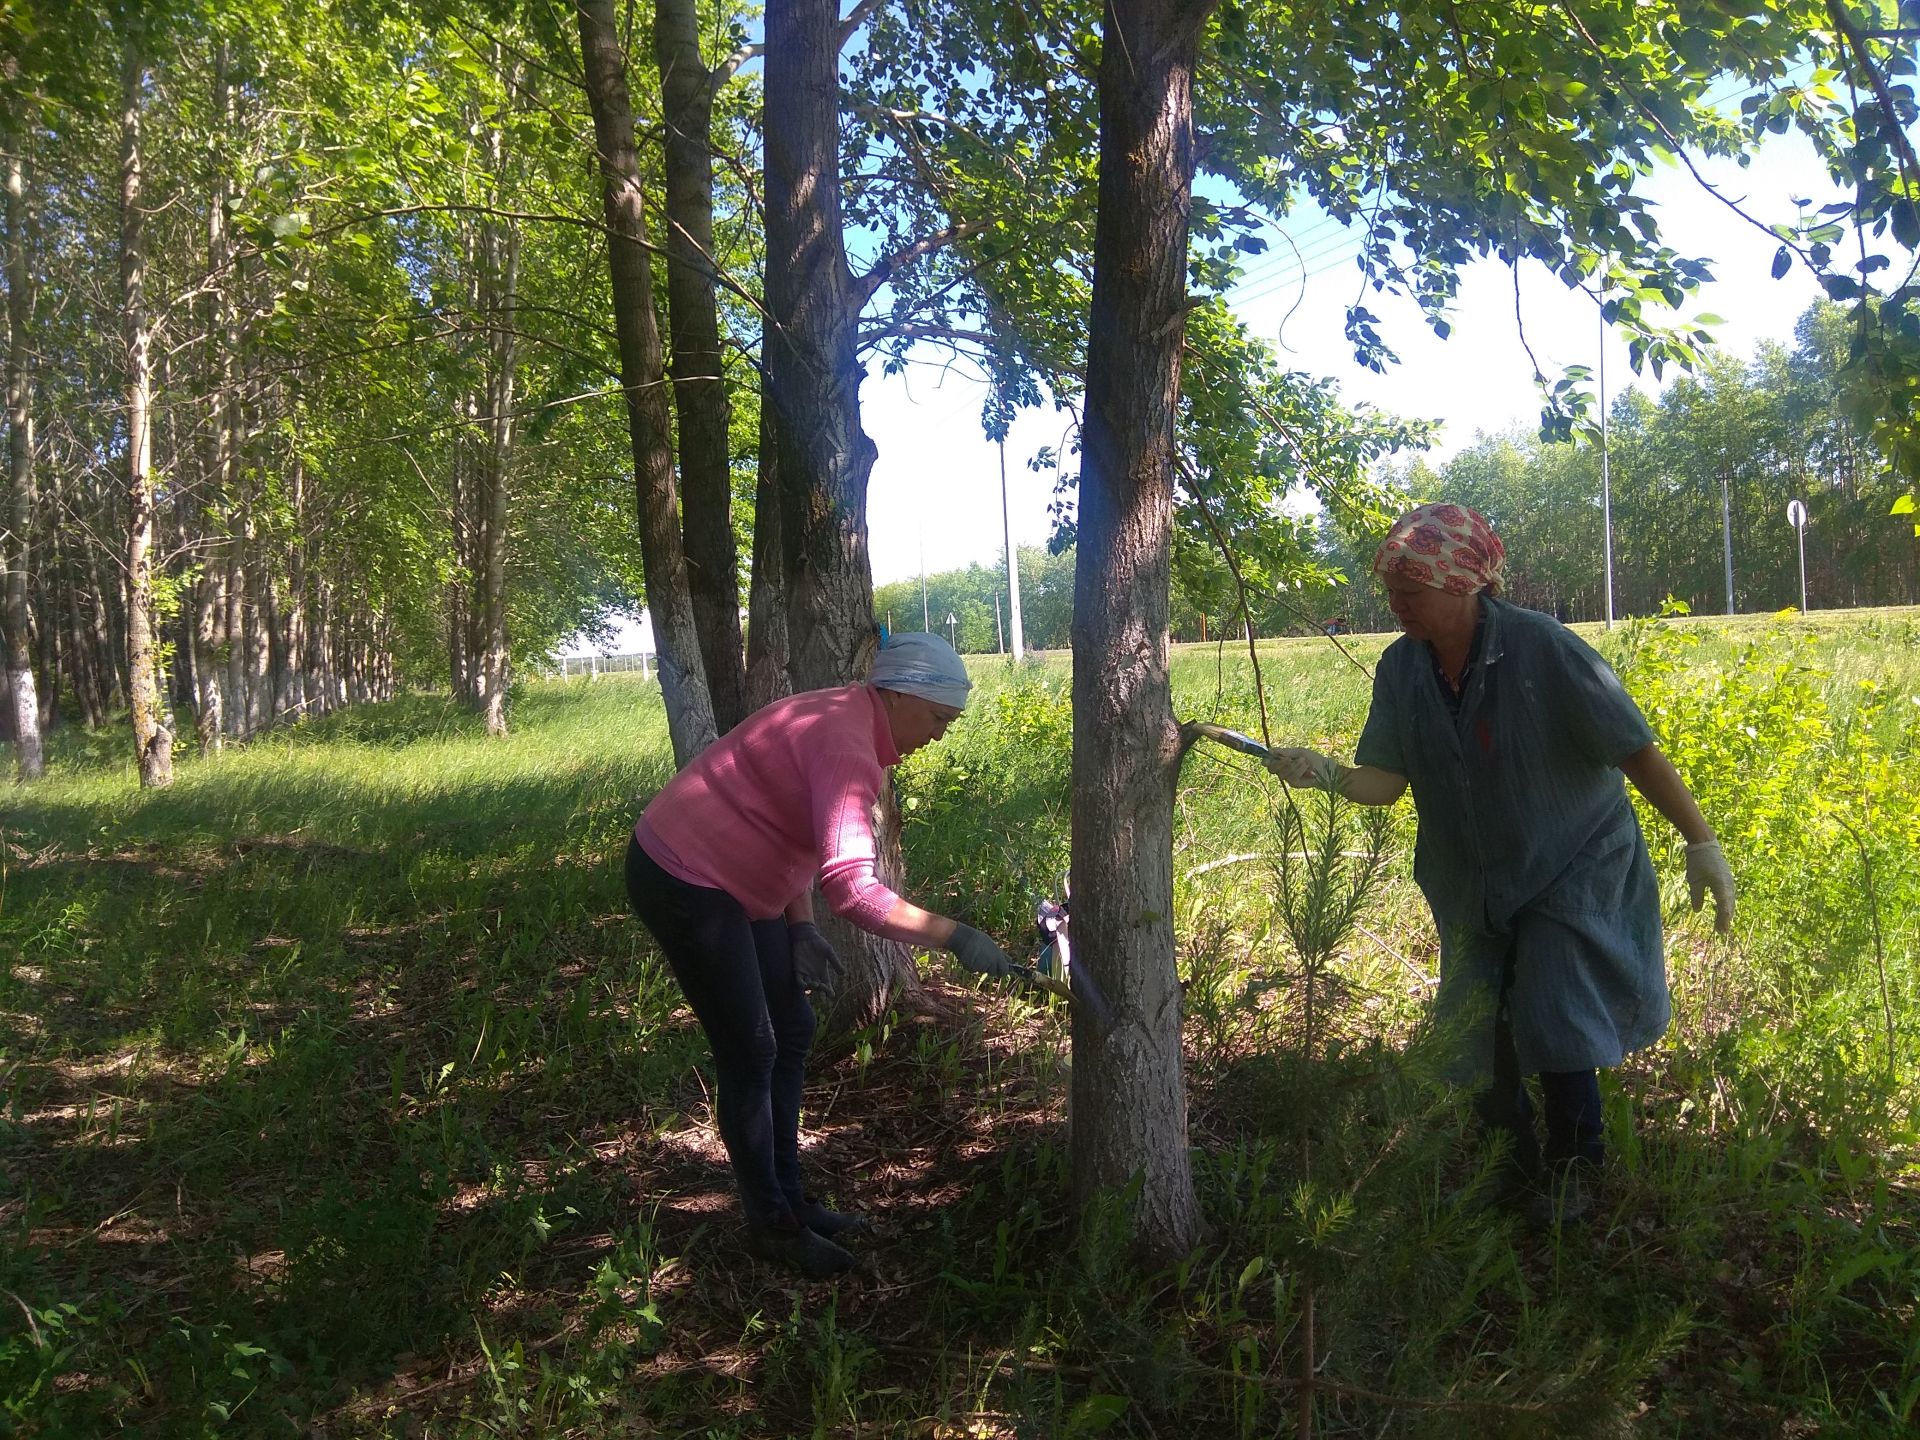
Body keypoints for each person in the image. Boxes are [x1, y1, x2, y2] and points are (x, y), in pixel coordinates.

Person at [1264, 503, 1736, 1225]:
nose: (1399, 607)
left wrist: (1699, 841)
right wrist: (1322, 771)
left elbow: (1633, 747)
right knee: (1475, 1028)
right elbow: (1385, 783)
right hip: (1473, 878)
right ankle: (1508, 1171)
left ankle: (1576, 1170)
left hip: (1571, 859)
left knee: (1558, 1013)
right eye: (1393, 592)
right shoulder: (1401, 668)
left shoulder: (1542, 648)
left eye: (1413, 592)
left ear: (1463, 585)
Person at [624, 632, 1022, 1277]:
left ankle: (791, 1196)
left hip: (736, 882)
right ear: (896, 695)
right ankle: (772, 1224)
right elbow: (853, 890)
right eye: (939, 718)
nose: (943, 733)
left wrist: (798, 925)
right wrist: (955, 936)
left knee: (793, 1028)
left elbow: (791, 830)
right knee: (751, 1047)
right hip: (683, 876)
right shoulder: (846, 744)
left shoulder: (850, 719)